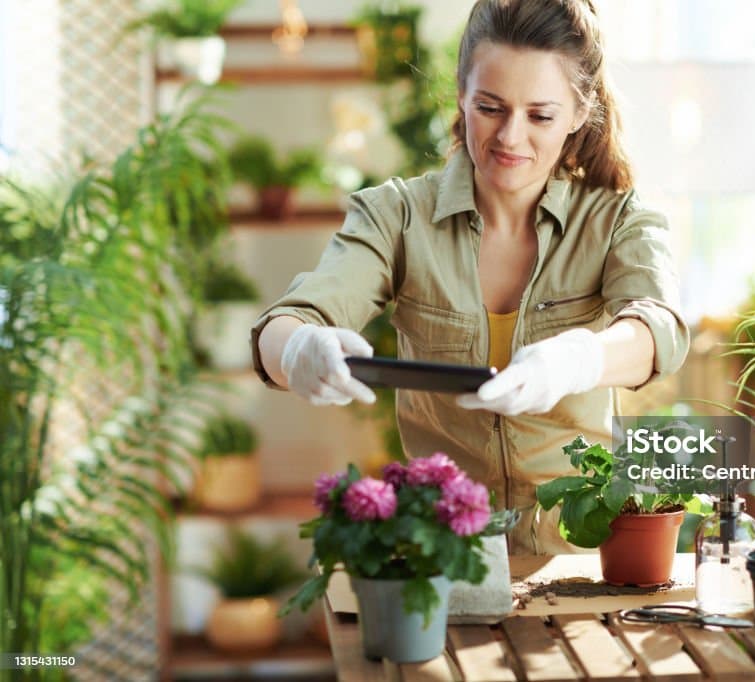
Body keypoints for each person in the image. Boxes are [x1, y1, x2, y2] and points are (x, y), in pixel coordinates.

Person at [250, 0, 688, 553]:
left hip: (584, 556)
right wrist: (298, 350)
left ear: (580, 112)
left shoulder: (618, 218)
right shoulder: (397, 216)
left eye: (540, 116)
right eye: (490, 107)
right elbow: (286, 324)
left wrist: (579, 359)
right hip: (447, 555)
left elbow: (658, 330)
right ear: (461, 93)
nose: (510, 137)